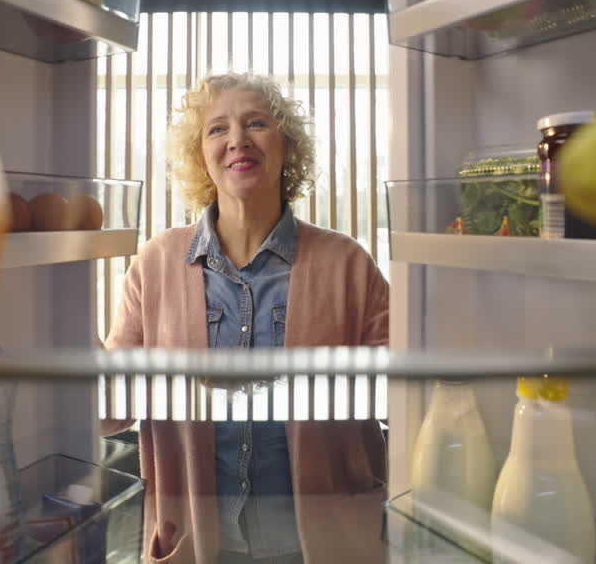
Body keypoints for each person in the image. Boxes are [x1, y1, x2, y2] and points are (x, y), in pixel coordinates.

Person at [103, 73, 389, 564]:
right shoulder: (154, 263)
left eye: (256, 123)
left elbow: (401, 394)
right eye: (217, 129)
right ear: (201, 156)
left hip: (323, 544)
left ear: (286, 147)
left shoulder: (348, 263)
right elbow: (110, 409)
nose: (238, 139)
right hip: (191, 543)